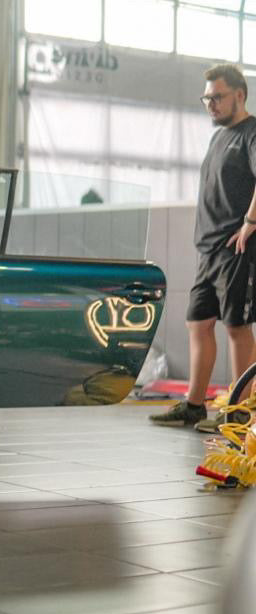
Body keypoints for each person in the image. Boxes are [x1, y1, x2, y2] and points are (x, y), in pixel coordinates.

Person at [151, 63, 256, 430]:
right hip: (209, 249)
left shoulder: (252, 132)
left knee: (236, 327)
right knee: (198, 322)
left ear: (239, 95)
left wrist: (250, 222)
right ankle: (195, 405)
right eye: (206, 98)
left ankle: (240, 413)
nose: (210, 104)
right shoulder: (218, 138)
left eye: (217, 97)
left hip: (237, 248)